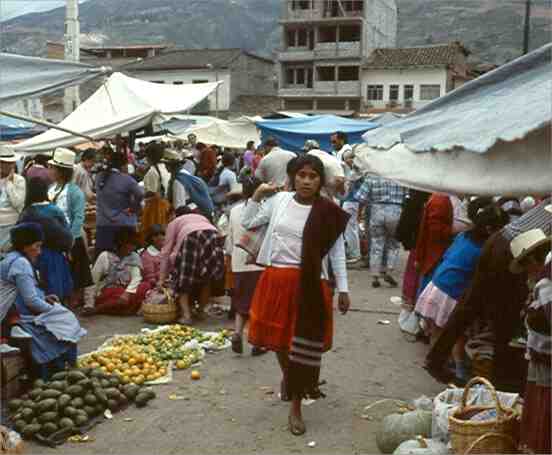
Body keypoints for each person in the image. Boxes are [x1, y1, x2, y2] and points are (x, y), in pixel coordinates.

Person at [242, 154, 351, 436]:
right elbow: (248, 221)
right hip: (276, 281)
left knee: (300, 347)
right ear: (293, 177)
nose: (306, 181)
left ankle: (296, 405)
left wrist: (344, 288)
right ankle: (290, 379)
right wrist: (257, 194)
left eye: (312, 176)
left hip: (310, 285)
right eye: (301, 175)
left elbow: (337, 251)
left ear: (320, 181)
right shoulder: (279, 202)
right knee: (279, 342)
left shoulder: (328, 210)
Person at [424, 198, 552, 390]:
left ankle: (436, 359)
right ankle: (498, 383)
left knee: (470, 304)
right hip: (513, 252)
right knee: (506, 319)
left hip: (500, 239)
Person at [415, 204, 508, 382]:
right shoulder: (483, 250)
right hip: (451, 292)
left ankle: (435, 361)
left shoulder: (463, 236)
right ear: (490, 229)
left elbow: (448, 255)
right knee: (457, 334)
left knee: (437, 329)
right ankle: (459, 368)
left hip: (438, 285)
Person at [0, 223, 86, 379]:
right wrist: (54, 310)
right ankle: (61, 370)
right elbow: (31, 301)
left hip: (15, 311)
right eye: (37, 246)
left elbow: (21, 292)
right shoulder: (21, 263)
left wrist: (44, 298)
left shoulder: (11, 258)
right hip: (13, 317)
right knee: (67, 320)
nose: (39, 252)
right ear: (25, 246)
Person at [512, 226, 551, 454]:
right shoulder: (542, 281)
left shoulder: (546, 284)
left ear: (536, 259)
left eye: (527, 265)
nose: (527, 271)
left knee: (543, 413)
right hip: (541, 357)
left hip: (546, 359)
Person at [159, 207, 224, 325]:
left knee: (184, 280)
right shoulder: (200, 217)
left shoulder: (174, 223)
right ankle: (200, 311)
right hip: (213, 234)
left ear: (174, 215)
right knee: (206, 278)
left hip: (191, 236)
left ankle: (186, 315)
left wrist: (162, 278)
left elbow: (166, 252)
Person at [225, 177, 266, 356]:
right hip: (259, 263)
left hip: (239, 262)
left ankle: (237, 333)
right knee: (259, 305)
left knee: (241, 303)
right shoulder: (265, 211)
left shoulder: (234, 211)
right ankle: (258, 342)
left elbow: (230, 238)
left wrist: (230, 258)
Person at [47, 148, 92, 309]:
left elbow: (79, 217)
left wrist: (70, 239)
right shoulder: (51, 188)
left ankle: (72, 303)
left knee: (74, 275)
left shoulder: (75, 192)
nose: (49, 170)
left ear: (61, 171)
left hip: (71, 239)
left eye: (52, 168)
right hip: (53, 239)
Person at [19, 177, 74, 302]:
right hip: (55, 256)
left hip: (33, 256)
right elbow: (67, 233)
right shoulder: (55, 210)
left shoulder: (27, 212)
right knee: (56, 291)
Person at [83, 227, 150, 316]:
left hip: (128, 292)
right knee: (117, 293)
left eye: (134, 244)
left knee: (145, 286)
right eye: (129, 244)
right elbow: (93, 280)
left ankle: (121, 308)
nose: (132, 247)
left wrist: (127, 293)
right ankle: (99, 309)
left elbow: (136, 278)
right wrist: (89, 304)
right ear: (120, 244)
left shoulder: (134, 257)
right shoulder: (105, 256)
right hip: (110, 291)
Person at [355, 175, 406, 288]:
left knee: (376, 243)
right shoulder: (401, 175)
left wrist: (359, 213)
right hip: (396, 210)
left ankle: (375, 276)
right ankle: (388, 271)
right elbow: (408, 196)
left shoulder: (372, 175)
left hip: (376, 210)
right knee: (394, 244)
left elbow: (360, 197)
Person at [95, 149, 144, 257]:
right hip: (124, 225)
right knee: (126, 260)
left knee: (104, 260)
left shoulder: (99, 177)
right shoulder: (127, 179)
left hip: (103, 225)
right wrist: (132, 208)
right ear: (123, 165)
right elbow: (140, 194)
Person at [164, 150, 214, 220]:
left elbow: (179, 207)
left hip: (194, 215)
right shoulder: (185, 174)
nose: (165, 167)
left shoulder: (178, 181)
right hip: (204, 212)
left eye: (166, 164)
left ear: (170, 166)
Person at [141, 143, 171, 238]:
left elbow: (152, 193)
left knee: (151, 234)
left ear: (149, 157)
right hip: (165, 205)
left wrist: (139, 195)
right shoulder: (166, 167)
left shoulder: (152, 171)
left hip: (155, 208)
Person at [0, 147, 26, 254]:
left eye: (10, 163)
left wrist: (9, 183)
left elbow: (18, 203)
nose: (7, 165)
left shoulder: (19, 180)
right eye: (3, 163)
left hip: (11, 224)